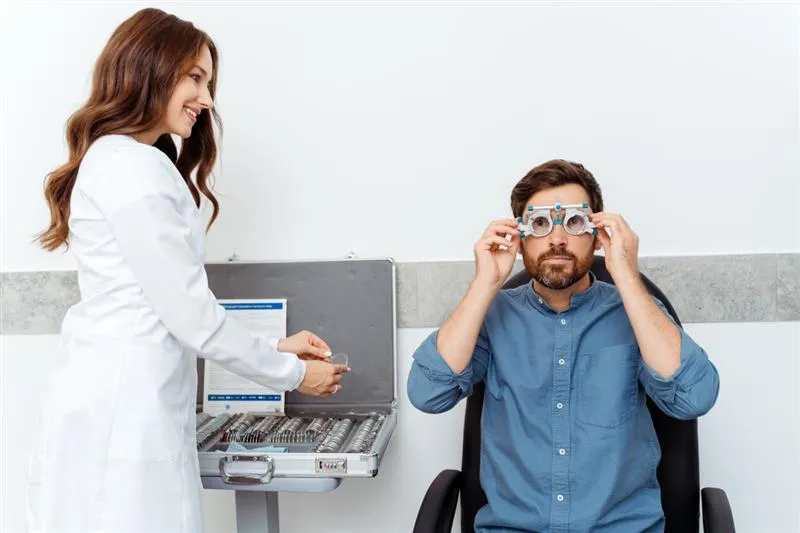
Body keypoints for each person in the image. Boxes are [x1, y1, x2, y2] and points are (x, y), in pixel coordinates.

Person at [27, 8, 349, 533]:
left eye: (208, 82)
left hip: (111, 395)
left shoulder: (116, 160)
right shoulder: (134, 166)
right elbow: (189, 315)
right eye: (195, 78)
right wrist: (292, 374)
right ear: (148, 69)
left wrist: (273, 347)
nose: (207, 98)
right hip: (126, 408)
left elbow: (164, 303)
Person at [407, 159, 720, 532]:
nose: (557, 239)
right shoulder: (491, 317)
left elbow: (695, 397)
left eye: (574, 222)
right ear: (520, 236)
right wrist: (484, 284)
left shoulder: (637, 312)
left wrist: (626, 275)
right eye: (540, 224)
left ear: (596, 234)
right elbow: (427, 394)